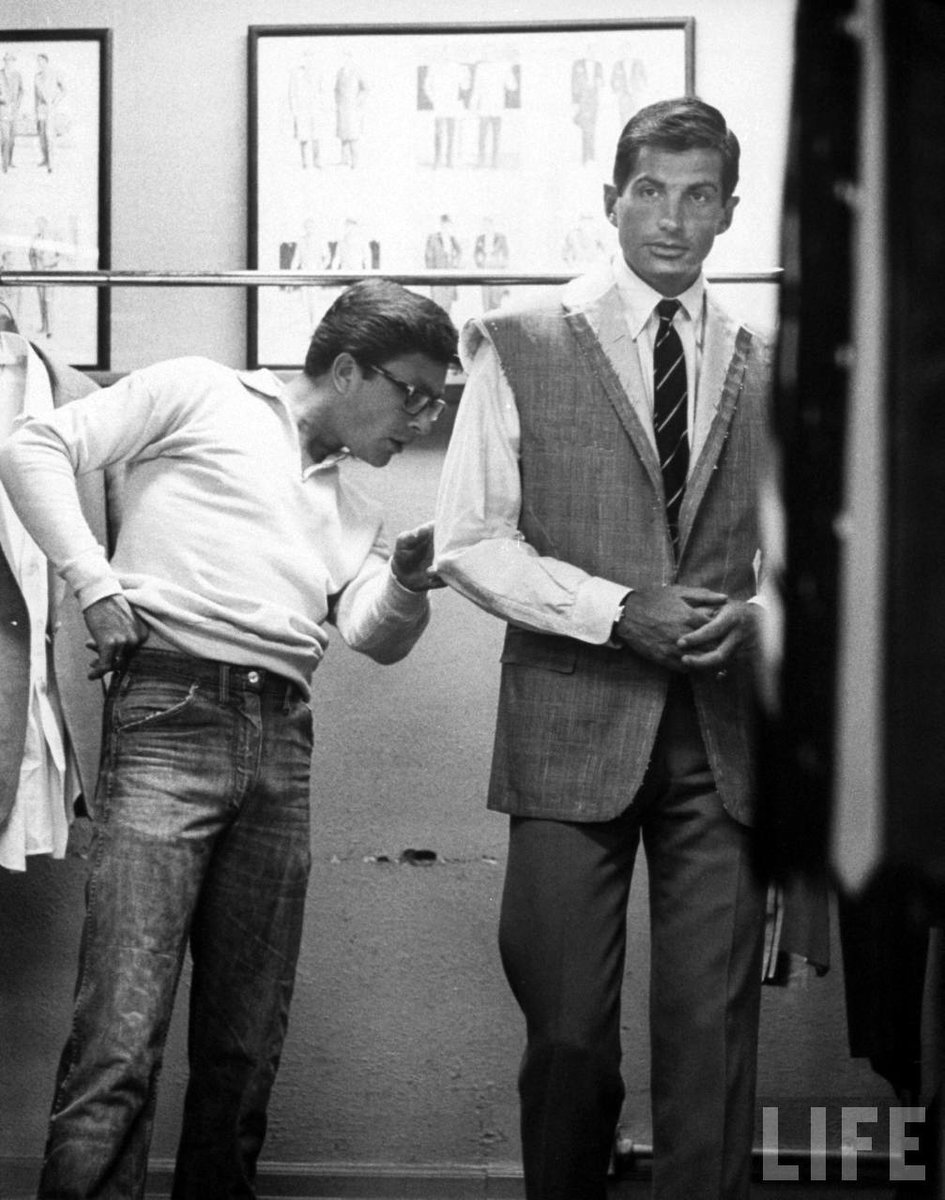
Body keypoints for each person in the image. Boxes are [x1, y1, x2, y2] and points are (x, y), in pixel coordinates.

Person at [0, 278, 458, 1199]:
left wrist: (406, 580)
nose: (422, 415)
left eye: (437, 400)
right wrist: (94, 584)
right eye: (412, 392)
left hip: (283, 741)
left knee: (243, 1045)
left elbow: (370, 634)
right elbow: (31, 443)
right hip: (170, 714)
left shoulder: (355, 511)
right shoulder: (201, 391)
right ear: (343, 367)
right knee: (121, 1037)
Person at [434, 98, 772, 1200]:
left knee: (711, 1043)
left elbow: (816, 561)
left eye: (699, 195)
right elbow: (471, 542)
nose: (672, 219)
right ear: (612, 198)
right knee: (571, 1033)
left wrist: (766, 621)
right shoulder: (520, 343)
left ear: (730, 209)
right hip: (569, 721)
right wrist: (617, 605)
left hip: (720, 742)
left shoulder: (763, 365)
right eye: (650, 191)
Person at [34, 51, 66, 172]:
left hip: (50, 108)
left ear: (46, 61)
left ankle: (51, 164)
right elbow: (36, 95)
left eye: (41, 61)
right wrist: (36, 110)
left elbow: (64, 90)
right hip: (40, 109)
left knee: (49, 135)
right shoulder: (37, 76)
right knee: (41, 135)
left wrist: (55, 102)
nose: (40, 63)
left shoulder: (54, 74)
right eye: (38, 61)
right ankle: (45, 159)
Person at [0, 50, 24, 173]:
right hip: (2, 111)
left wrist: (17, 105)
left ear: (13, 62)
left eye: (11, 60)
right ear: (4, 61)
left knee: (12, 138)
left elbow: (21, 91)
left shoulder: (17, 75)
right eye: (7, 60)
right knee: (5, 138)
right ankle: (4, 166)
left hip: (14, 112)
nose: (9, 62)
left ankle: (9, 161)